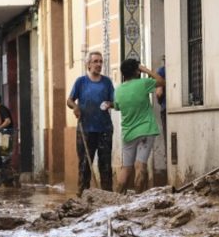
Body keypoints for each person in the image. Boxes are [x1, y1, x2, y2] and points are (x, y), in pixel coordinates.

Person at [114, 58, 165, 193]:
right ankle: (138, 198)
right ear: (137, 71)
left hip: (128, 133)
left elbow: (117, 107)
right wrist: (146, 70)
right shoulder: (143, 83)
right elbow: (161, 82)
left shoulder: (118, 90)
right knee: (140, 166)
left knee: (126, 168)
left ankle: (116, 199)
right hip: (146, 130)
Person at [68, 51, 115, 194]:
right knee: (84, 165)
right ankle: (83, 195)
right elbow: (69, 100)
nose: (99, 64)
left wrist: (110, 104)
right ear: (88, 64)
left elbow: (114, 102)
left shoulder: (107, 82)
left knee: (105, 165)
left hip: (104, 129)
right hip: (86, 129)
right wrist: (75, 107)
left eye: (100, 62)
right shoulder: (81, 82)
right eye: (95, 61)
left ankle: (107, 195)